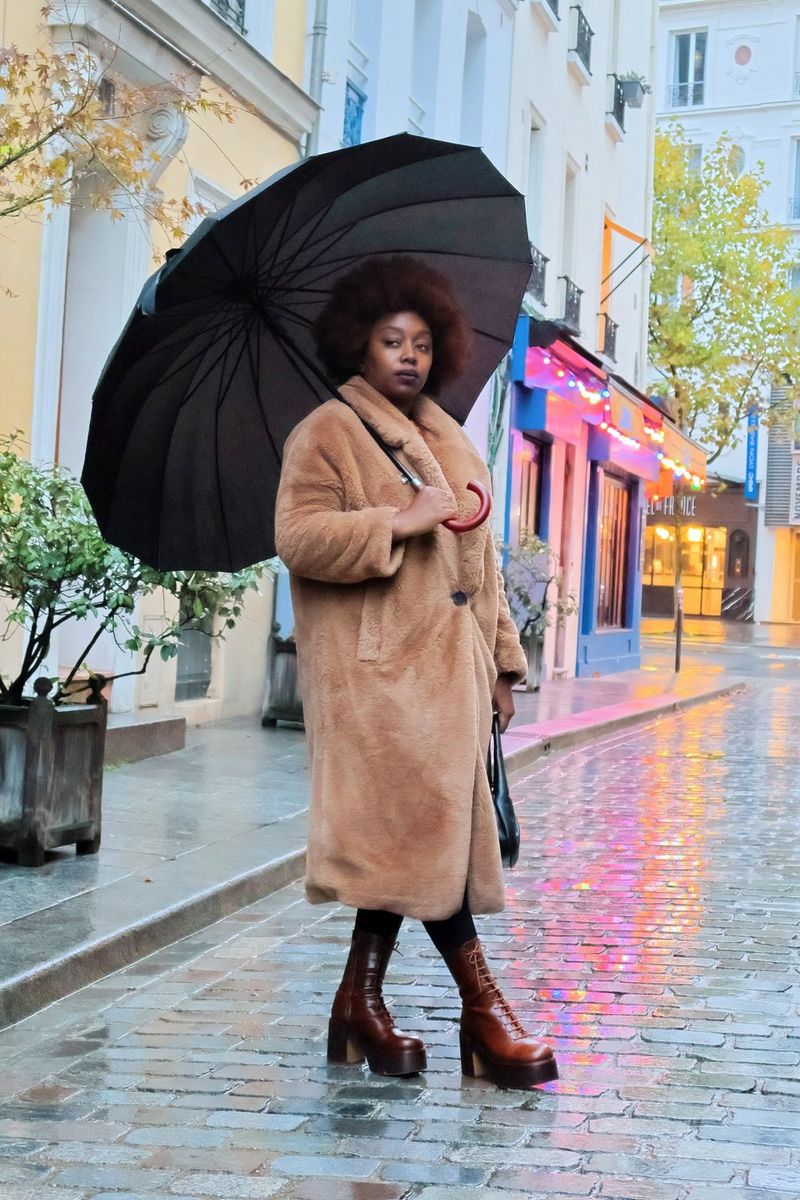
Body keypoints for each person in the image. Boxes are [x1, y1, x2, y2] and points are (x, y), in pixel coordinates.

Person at [274, 256, 558, 1089]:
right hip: (378, 681)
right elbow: (300, 537)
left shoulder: (446, 436)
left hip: (454, 677)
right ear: (357, 343)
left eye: (423, 343)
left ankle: (357, 1005)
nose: (409, 356)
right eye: (391, 340)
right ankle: (485, 1010)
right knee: (426, 833)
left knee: (408, 843)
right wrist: (397, 521)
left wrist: (505, 665)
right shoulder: (325, 432)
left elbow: (484, 567)